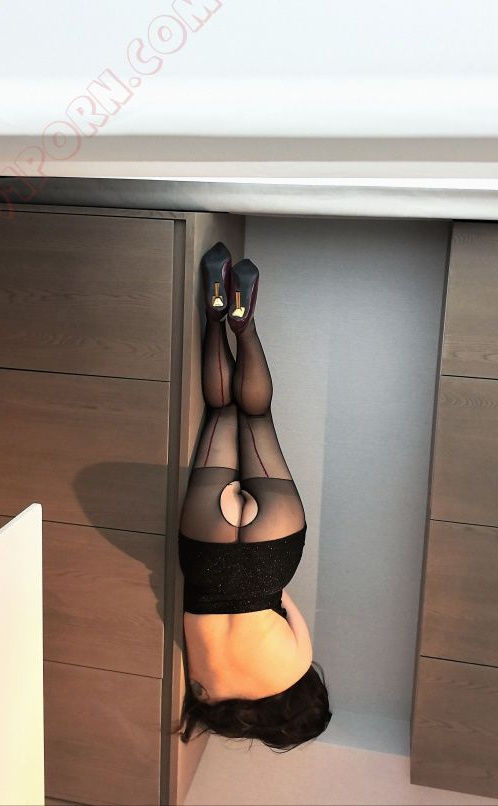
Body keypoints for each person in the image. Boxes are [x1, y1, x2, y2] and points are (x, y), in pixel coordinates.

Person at [172, 242, 332, 752]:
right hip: (205, 558)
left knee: (256, 418)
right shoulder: (207, 693)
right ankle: (215, 314)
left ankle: (244, 323)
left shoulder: (297, 666)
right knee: (219, 413)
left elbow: (282, 601)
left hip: (269, 554)